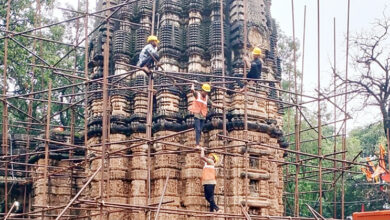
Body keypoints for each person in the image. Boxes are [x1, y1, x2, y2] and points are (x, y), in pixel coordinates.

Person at [188, 83, 223, 148]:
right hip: (197, 114)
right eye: (206, 92)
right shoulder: (197, 94)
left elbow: (212, 104)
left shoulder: (206, 98)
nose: (206, 93)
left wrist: (221, 107)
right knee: (197, 129)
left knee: (200, 130)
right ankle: (197, 145)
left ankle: (199, 144)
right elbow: (192, 90)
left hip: (203, 115)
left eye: (207, 92)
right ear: (202, 90)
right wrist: (193, 83)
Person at [200, 146, 221, 213]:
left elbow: (202, 157)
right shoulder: (207, 163)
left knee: (210, 197)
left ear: (213, 159)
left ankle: (217, 209)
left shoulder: (211, 162)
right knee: (207, 197)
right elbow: (202, 157)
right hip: (206, 182)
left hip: (210, 182)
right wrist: (202, 150)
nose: (210, 156)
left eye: (211, 156)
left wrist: (202, 149)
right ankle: (212, 210)